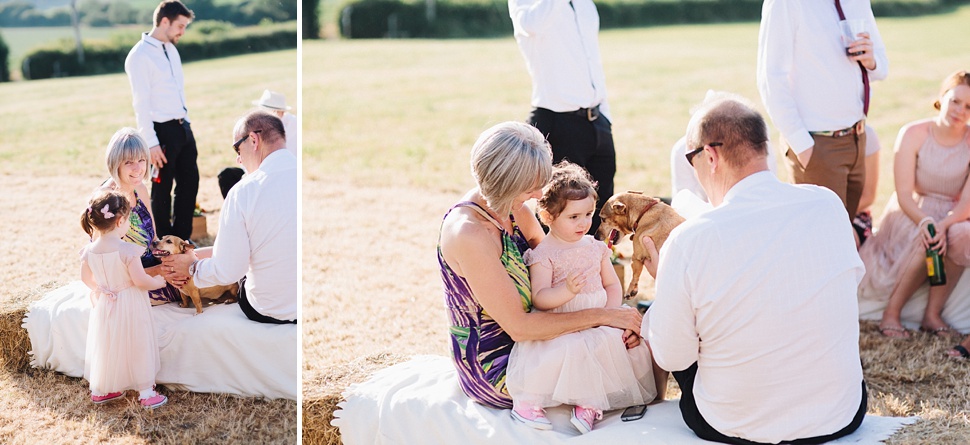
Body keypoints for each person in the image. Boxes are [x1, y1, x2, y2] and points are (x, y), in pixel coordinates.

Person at [643, 94, 867, 444]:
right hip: (839, 414)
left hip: (732, 422)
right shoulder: (828, 205)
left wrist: (667, 290)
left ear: (711, 157)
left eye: (692, 159)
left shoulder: (688, 241)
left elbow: (673, 354)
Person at [438, 121, 642, 412]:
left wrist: (612, 324)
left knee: (635, 348)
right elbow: (519, 328)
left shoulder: (514, 207)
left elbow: (557, 256)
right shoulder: (468, 234)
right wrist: (604, 317)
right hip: (501, 363)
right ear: (506, 182)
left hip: (544, 342)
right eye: (531, 186)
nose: (538, 194)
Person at [506, 162, 662, 434]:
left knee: (613, 348)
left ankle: (589, 404)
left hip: (598, 320)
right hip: (563, 323)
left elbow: (612, 285)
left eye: (589, 214)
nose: (584, 223)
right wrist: (566, 292)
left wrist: (610, 314)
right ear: (548, 216)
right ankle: (529, 403)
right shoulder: (543, 254)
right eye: (574, 217)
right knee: (565, 352)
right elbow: (540, 298)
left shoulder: (595, 248)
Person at [859, 70, 970, 339]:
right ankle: (891, 314)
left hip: (953, 214)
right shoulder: (913, 133)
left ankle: (932, 315)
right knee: (929, 234)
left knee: (961, 233)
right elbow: (904, 193)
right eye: (955, 101)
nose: (960, 110)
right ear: (942, 97)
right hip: (912, 212)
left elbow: (967, 201)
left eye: (969, 107)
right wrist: (927, 222)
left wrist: (945, 224)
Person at [162, 110, 297, 324]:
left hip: (270, 308)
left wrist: (192, 268)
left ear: (253, 140)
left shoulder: (244, 191)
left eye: (237, 147)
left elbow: (229, 271)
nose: (237, 158)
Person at [757, 0, 888, 218]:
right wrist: (803, 146)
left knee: (843, 232)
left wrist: (871, 60)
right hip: (818, 145)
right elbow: (770, 78)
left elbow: (881, 66)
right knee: (818, 242)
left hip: (856, 138)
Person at [508, 0, 615, 233]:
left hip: (597, 120)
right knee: (561, 213)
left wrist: (605, 114)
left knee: (601, 208)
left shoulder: (584, 5)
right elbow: (531, 25)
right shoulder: (527, 4)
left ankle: (600, 264)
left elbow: (592, 61)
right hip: (557, 121)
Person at [80, 189, 168, 409]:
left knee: (109, 344)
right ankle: (146, 392)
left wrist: (103, 289)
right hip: (130, 304)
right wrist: (159, 283)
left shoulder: (89, 250)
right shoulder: (128, 250)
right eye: (128, 219)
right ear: (120, 221)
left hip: (105, 305)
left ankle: (103, 390)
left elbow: (85, 278)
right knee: (138, 345)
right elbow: (140, 281)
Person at [125, 0, 198, 240]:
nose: (182, 32)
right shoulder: (139, 56)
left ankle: (182, 239)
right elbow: (140, 103)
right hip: (160, 132)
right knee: (162, 189)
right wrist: (151, 142)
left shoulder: (171, 49)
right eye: (180, 25)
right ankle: (163, 243)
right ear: (164, 21)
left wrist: (186, 121)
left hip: (182, 128)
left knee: (189, 184)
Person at [102, 127, 183, 305]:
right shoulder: (105, 200)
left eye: (142, 160)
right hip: (131, 283)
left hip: (153, 268)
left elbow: (153, 239)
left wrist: (170, 259)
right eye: (129, 162)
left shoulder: (140, 189)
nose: (138, 168)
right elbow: (106, 263)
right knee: (197, 283)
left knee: (198, 258)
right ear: (115, 163)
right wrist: (159, 271)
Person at [219, 90, 298, 198]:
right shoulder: (256, 125)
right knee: (226, 175)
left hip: (281, 176)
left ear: (281, 112)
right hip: (254, 173)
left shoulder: (294, 127)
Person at [852, 124, 881, 247]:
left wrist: (835, 216)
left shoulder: (866, 134)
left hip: (854, 214)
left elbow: (868, 196)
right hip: (816, 215)